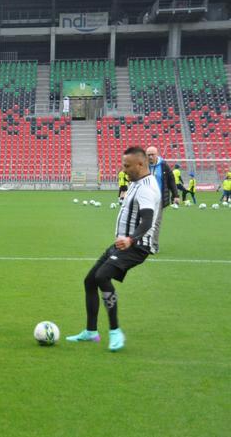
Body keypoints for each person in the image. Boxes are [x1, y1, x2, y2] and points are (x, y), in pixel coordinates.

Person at [67, 147, 161, 352]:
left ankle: (115, 331)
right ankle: (91, 332)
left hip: (137, 246)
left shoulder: (146, 188)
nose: (123, 169)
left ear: (140, 164)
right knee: (89, 280)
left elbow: (147, 221)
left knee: (102, 276)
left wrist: (131, 239)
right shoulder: (137, 183)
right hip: (123, 243)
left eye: (127, 166)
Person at [146, 146, 179, 249]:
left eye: (152, 154)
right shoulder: (142, 165)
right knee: (143, 222)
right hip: (145, 198)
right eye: (148, 155)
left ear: (157, 154)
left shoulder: (164, 165)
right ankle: (143, 244)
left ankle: (153, 245)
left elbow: (171, 180)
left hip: (158, 199)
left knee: (155, 222)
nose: (150, 157)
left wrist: (176, 195)